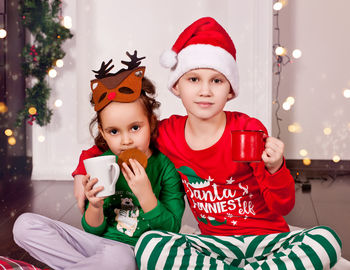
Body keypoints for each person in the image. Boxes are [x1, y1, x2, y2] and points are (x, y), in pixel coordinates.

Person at [72, 18, 342, 269]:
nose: (205, 90)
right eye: (193, 79)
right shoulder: (167, 133)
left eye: (216, 80)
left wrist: (275, 168)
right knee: (150, 245)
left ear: (230, 89)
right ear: (177, 86)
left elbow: (282, 207)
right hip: (213, 244)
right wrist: (81, 170)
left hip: (266, 239)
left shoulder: (247, 129)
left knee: (326, 241)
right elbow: (118, 141)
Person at [12, 51, 185, 270]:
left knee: (119, 258)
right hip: (99, 246)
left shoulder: (165, 168)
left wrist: (146, 195)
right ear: (102, 133)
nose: (125, 141)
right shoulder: (102, 163)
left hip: (138, 253)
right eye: (114, 131)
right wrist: (94, 206)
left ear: (151, 123)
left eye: (135, 128)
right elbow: (93, 229)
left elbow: (173, 228)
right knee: (24, 225)